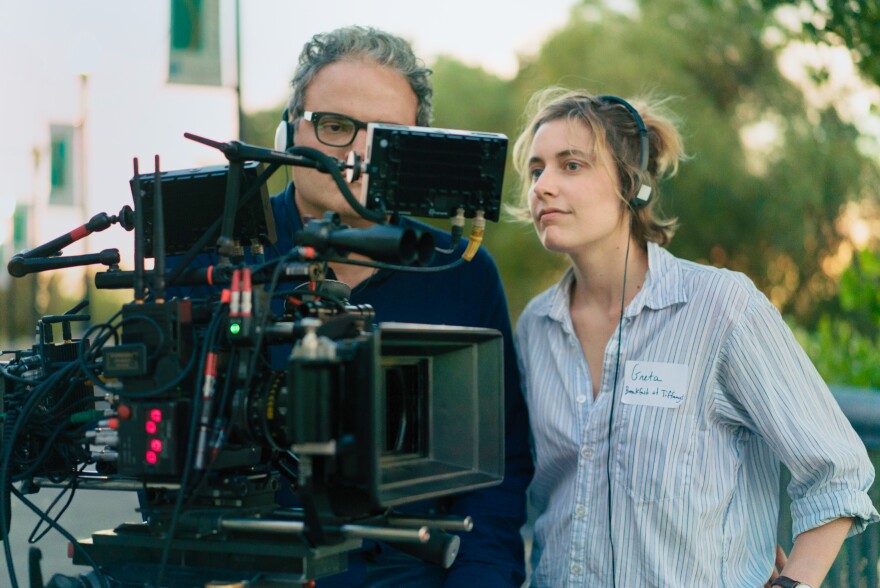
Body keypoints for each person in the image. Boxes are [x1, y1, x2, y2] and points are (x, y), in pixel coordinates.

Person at [510, 87, 879, 587]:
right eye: (536, 170)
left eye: (570, 165)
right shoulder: (535, 326)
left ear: (632, 184)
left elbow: (836, 470)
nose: (543, 187)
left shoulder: (722, 307)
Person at [267, 26, 532, 586]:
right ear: (289, 129)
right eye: (336, 127)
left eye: (386, 135)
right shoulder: (211, 254)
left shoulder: (460, 270)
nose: (359, 154)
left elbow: (496, 474)